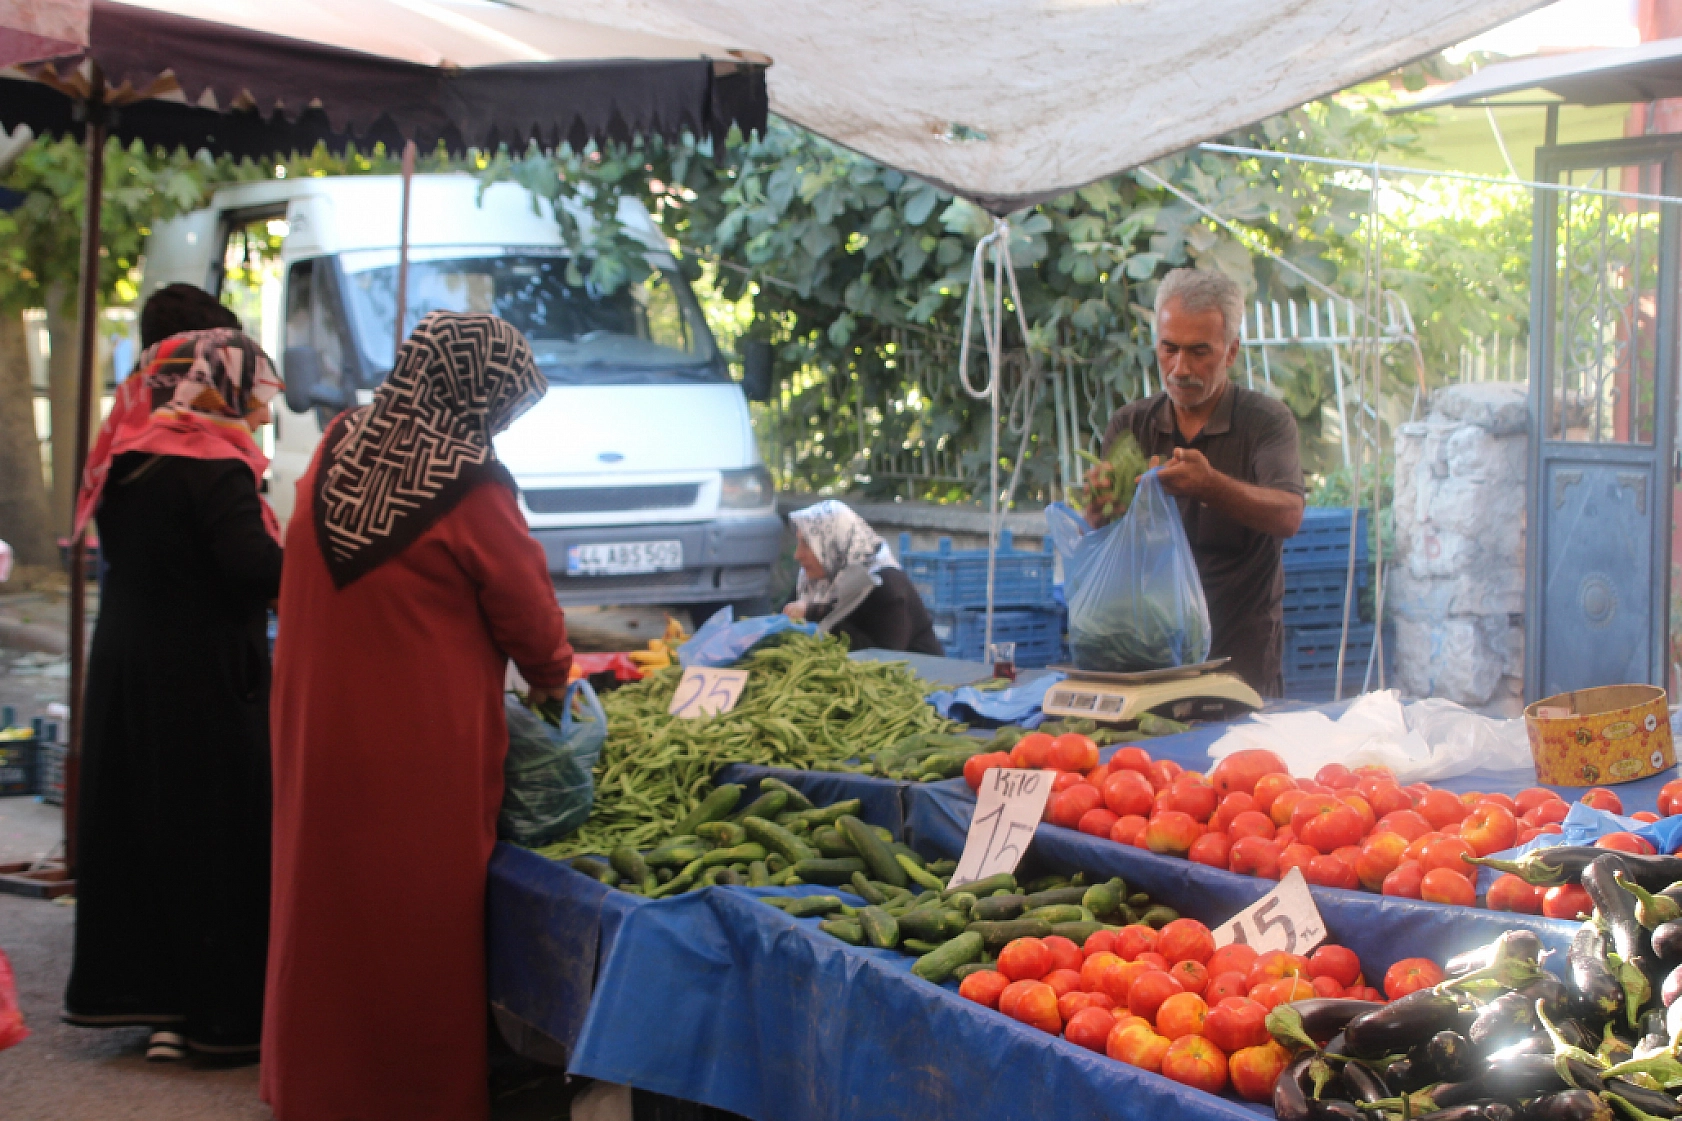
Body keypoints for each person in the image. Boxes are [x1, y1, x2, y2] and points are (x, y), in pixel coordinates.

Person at [262, 312, 574, 1121]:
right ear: (475, 392)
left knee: (324, 893)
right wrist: (552, 679)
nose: (502, 421)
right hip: (415, 735)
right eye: (503, 403)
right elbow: (529, 611)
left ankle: (312, 1084)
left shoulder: (341, 441)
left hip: (317, 719)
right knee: (417, 909)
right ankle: (412, 1098)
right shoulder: (472, 481)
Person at [64, 320, 284, 1063]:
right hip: (202, 677)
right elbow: (251, 567)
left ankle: (149, 1002)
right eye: (253, 390)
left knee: (142, 822)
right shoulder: (214, 465)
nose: (263, 409)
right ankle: (213, 1015)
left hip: (129, 667)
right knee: (212, 832)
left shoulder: (127, 452)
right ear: (219, 388)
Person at [1088, 268, 1305, 694]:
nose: (1180, 368)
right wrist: (1098, 507)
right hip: (1145, 660)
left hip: (1239, 664)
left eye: (1199, 352)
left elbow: (1289, 515)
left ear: (1231, 351)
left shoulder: (1266, 422)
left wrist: (1210, 486)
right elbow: (1103, 537)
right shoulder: (1130, 425)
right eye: (1169, 349)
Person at [783, 500, 943, 656]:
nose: (798, 555)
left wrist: (814, 613)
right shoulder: (813, 581)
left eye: (807, 545)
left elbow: (882, 657)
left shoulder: (885, 585)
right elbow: (781, 625)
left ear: (834, 544)